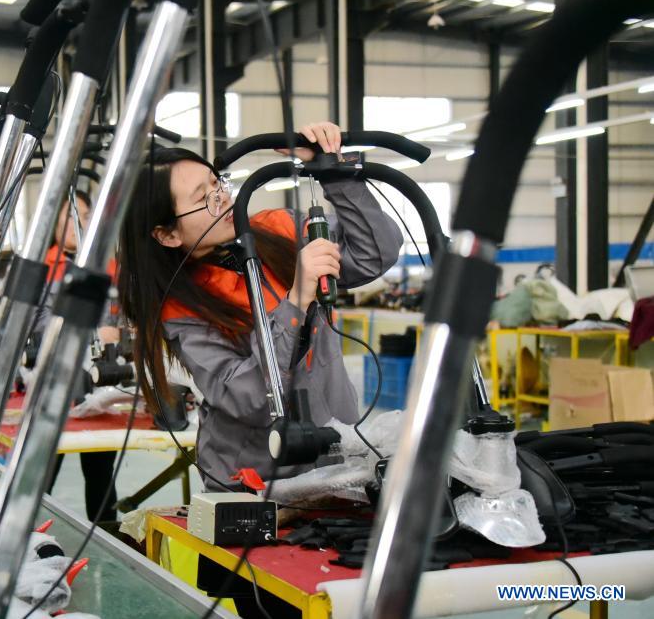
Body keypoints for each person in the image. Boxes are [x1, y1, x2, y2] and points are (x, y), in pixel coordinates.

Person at [118, 122, 404, 490]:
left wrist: (333, 172)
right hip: (253, 482)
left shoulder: (278, 230)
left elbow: (375, 254)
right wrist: (296, 300)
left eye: (217, 184)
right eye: (201, 198)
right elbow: (251, 398)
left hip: (336, 457)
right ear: (167, 234)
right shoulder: (179, 307)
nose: (221, 198)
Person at [34, 190, 121, 521]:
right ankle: (27, 537)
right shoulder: (44, 269)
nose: (76, 224)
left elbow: (123, 318)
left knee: (100, 473)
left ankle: (107, 535)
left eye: (83, 216)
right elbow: (38, 328)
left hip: (100, 387)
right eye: (67, 218)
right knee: (43, 472)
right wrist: (93, 334)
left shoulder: (109, 267)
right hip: (53, 389)